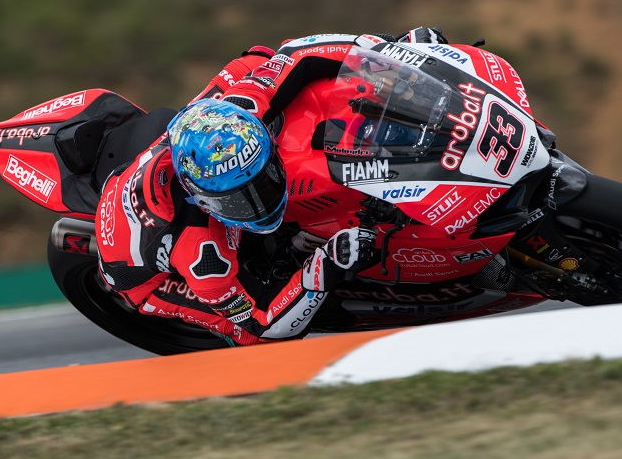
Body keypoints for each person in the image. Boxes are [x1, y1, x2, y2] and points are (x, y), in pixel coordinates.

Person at [95, 27, 448, 346]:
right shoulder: (203, 254)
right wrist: (325, 265)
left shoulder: (239, 108)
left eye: (264, 179)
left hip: (167, 151)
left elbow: (298, 52)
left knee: (259, 59)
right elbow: (261, 324)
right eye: (238, 201)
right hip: (140, 278)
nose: (261, 202)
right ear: (201, 200)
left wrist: (394, 51)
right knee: (248, 335)